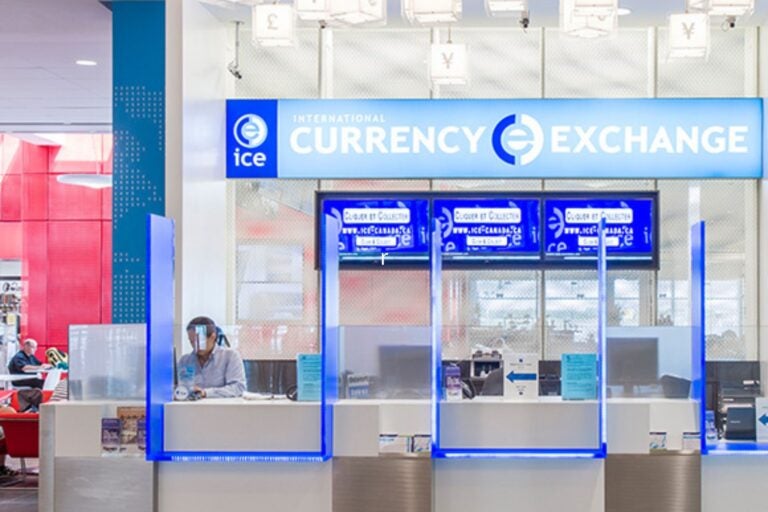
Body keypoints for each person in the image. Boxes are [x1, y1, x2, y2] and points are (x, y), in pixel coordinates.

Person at [177, 317, 245, 399]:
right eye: (192, 342)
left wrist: (205, 393)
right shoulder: (185, 361)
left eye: (199, 341)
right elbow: (180, 388)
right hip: (191, 406)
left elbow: (238, 388)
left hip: (220, 406)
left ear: (212, 337)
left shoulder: (230, 356)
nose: (195, 346)